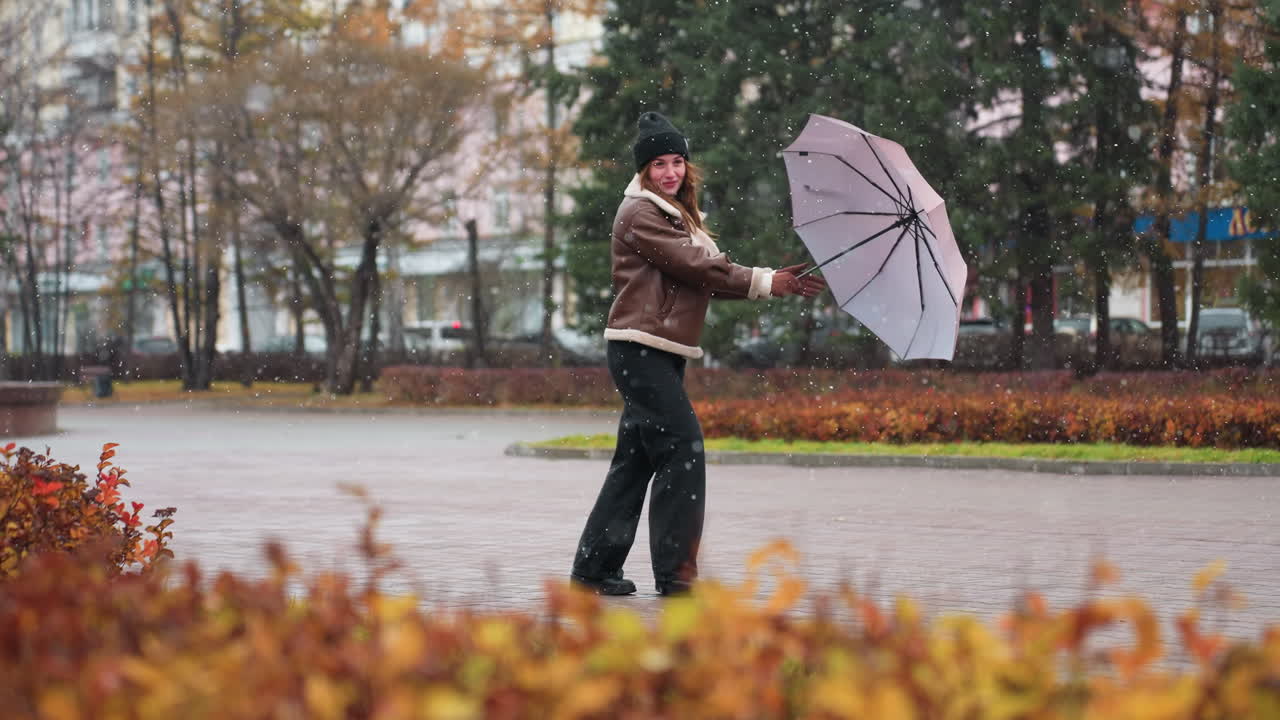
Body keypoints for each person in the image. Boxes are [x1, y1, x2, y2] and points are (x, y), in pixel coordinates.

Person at [570, 111, 826, 596]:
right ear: (643, 171)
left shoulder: (674, 216)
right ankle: (676, 578)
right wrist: (766, 279)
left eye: (678, 162)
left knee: (636, 462)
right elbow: (696, 265)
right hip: (638, 351)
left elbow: (699, 278)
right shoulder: (640, 214)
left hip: (656, 352)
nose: (671, 172)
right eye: (659, 164)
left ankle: (592, 570)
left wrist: (773, 284)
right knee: (683, 451)